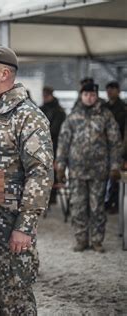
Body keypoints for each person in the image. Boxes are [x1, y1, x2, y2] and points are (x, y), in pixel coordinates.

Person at [0, 46, 54, 315]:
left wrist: (25, 227)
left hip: (8, 229)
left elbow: (40, 174)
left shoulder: (28, 116)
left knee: (16, 305)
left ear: (5, 74)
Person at [57, 82, 122, 253]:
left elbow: (115, 142)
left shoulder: (105, 116)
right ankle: (81, 239)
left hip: (99, 171)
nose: (89, 98)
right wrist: (60, 166)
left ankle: (96, 240)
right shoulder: (73, 117)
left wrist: (115, 166)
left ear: (96, 95)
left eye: (92, 95)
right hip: (77, 171)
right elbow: (63, 143)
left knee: (97, 207)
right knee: (78, 206)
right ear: (81, 96)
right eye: (86, 95)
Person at [40, 86, 66, 204]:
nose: (44, 97)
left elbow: (55, 130)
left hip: (54, 145)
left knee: (53, 171)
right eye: (44, 95)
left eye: (46, 95)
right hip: (41, 145)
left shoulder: (58, 111)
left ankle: (52, 196)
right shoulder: (41, 109)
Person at [104, 81, 126, 213]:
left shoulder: (123, 108)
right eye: (108, 89)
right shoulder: (104, 107)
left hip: (118, 147)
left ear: (118, 91)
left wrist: (124, 153)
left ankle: (115, 203)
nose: (110, 92)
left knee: (116, 177)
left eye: (113, 89)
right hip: (103, 148)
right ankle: (106, 202)